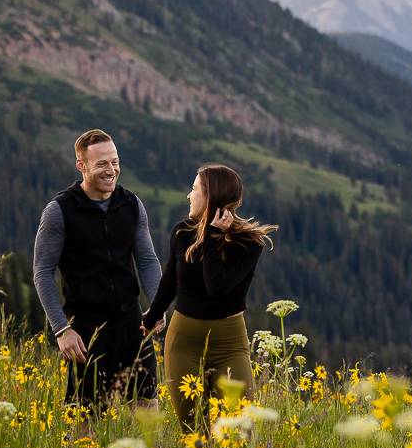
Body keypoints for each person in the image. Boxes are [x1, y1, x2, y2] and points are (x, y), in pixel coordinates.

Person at [32, 129, 166, 409]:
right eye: (102, 163)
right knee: (86, 423)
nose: (112, 170)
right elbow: (42, 272)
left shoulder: (131, 204)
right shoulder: (60, 211)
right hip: (86, 333)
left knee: (148, 418)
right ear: (81, 165)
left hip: (133, 328)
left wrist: (157, 305)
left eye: (115, 162)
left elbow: (147, 260)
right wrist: (61, 330)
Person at [142, 163, 277, 431]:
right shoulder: (182, 232)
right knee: (194, 433)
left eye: (194, 190)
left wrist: (213, 237)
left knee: (236, 433)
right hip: (184, 343)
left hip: (230, 345)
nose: (189, 196)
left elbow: (217, 287)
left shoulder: (248, 243)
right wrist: (152, 317)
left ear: (210, 197)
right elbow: (170, 279)